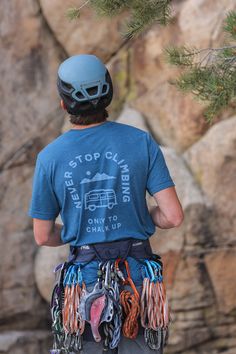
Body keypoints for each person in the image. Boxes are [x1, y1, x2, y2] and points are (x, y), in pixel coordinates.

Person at [28, 54, 184, 354]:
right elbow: (173, 216)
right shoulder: (140, 142)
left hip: (82, 286)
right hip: (137, 284)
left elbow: (42, 235)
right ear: (108, 94)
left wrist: (79, 229)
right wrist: (138, 218)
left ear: (64, 103)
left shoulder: (50, 157)